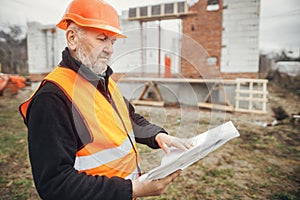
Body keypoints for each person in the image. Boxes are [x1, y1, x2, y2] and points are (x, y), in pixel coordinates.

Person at [19, 0, 192, 199]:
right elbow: (55, 184)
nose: (110, 49)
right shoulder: (52, 98)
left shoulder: (103, 81)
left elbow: (130, 120)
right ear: (72, 39)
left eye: (112, 41)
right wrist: (133, 189)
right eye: (102, 39)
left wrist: (159, 137)